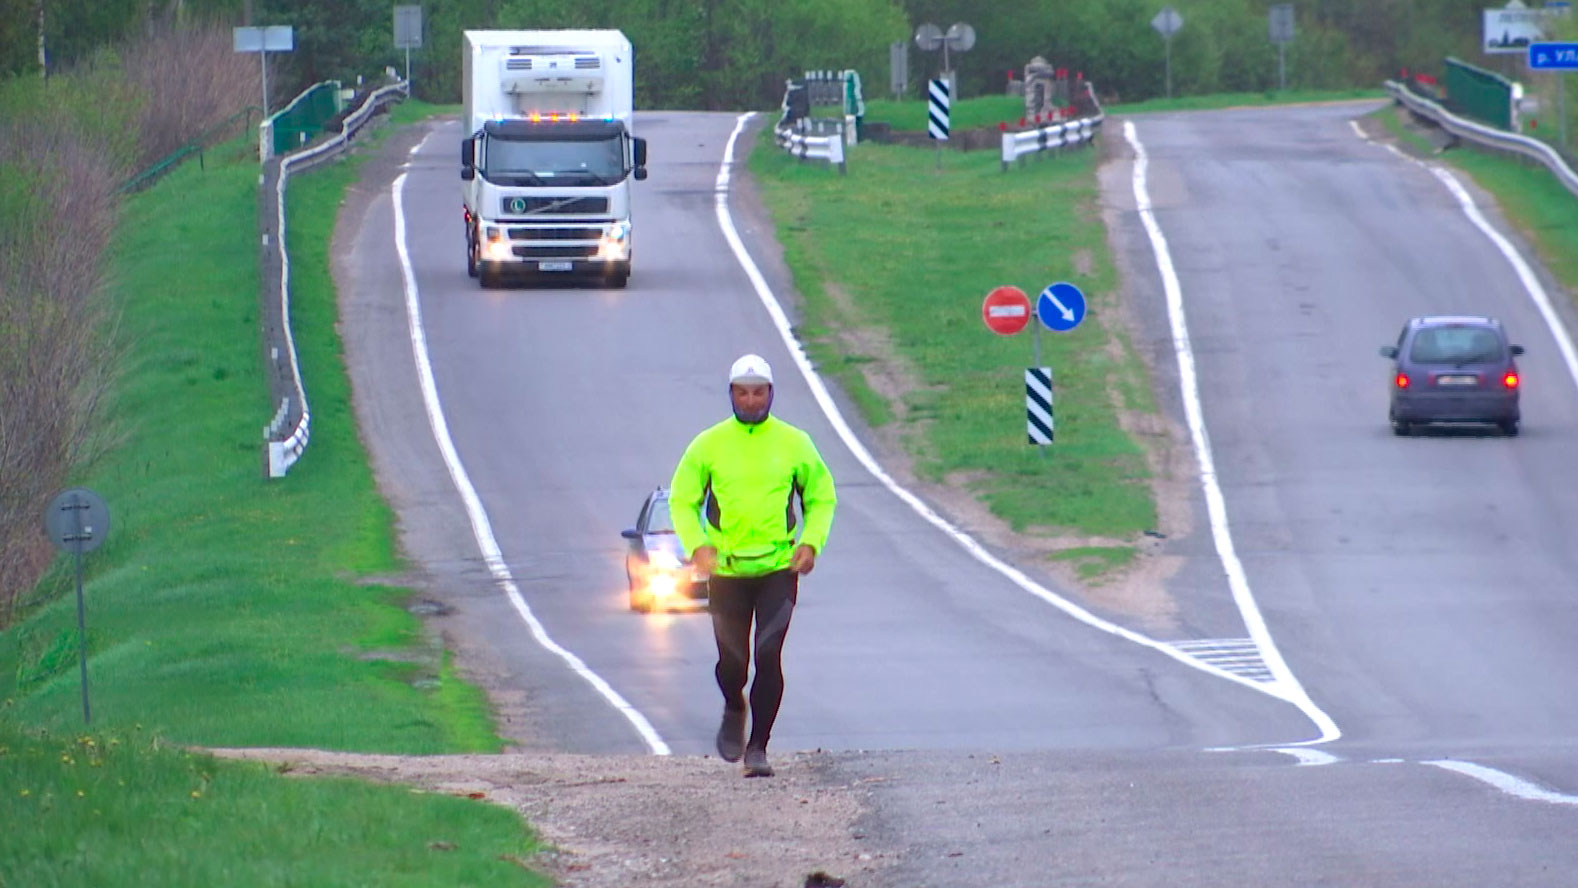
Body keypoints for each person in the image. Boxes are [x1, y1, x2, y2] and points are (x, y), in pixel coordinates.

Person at [669, 353, 837, 777]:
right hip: (726, 572)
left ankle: (758, 747)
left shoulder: (795, 442)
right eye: (742, 393)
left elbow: (821, 496)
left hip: (777, 569)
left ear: (771, 394)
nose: (750, 400)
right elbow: (682, 500)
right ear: (730, 395)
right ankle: (732, 704)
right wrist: (697, 547)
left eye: (758, 392)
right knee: (733, 662)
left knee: (768, 653)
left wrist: (812, 544)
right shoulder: (708, 444)